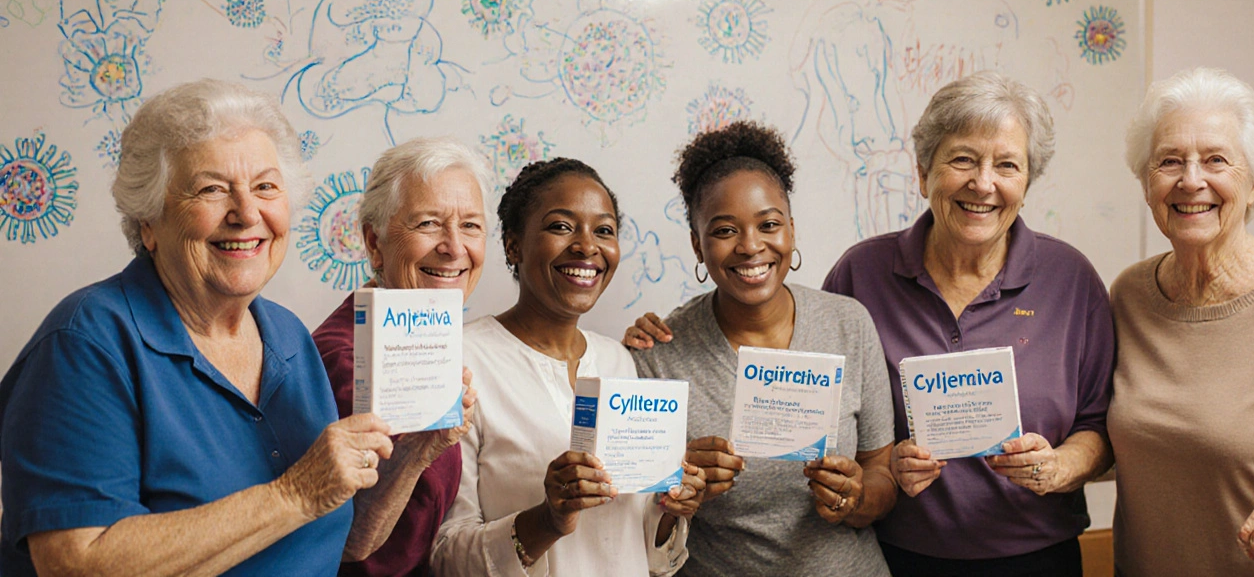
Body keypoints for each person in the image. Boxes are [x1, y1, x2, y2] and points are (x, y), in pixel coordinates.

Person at [0, 80, 399, 576]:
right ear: (149, 221)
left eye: (265, 187)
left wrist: (421, 450)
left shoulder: (290, 336)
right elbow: (77, 563)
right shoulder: (84, 343)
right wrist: (294, 493)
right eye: (211, 189)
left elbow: (342, 541)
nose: (247, 213)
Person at [822, 71, 1115, 575]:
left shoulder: (1071, 279)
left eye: (1007, 165)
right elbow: (826, 419)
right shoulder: (861, 275)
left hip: (1039, 558)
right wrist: (885, 468)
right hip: (896, 559)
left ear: (1027, 182)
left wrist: (1059, 466)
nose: (984, 183)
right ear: (922, 173)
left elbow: (1100, 426)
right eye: (962, 159)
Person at [626, 121, 898, 576]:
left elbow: (882, 475)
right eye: (725, 231)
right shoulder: (657, 354)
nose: (751, 247)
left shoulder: (848, 322)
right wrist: (677, 487)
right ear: (697, 244)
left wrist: (857, 497)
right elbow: (638, 527)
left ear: (791, 230)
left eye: (768, 224)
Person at [431, 158, 704, 576]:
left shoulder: (618, 360)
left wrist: (671, 509)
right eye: (561, 226)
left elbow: (644, 552)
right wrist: (548, 519)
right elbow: (446, 558)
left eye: (604, 230)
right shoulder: (461, 360)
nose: (587, 246)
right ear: (513, 245)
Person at [1109, 67, 1254, 575]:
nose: (1191, 180)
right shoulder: (1128, 296)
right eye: (1169, 162)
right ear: (1146, 185)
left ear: (1253, 183)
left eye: (1216, 160)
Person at [312, 137, 486, 575]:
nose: (453, 247)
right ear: (374, 242)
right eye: (429, 223)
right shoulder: (343, 360)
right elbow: (352, 542)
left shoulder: (431, 343)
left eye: (470, 225)